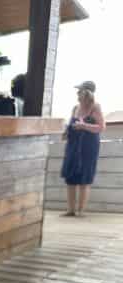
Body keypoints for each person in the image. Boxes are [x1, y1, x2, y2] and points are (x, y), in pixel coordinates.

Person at [61, 81, 106, 218]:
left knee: (84, 178)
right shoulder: (75, 108)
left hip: (88, 146)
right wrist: (65, 132)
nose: (77, 94)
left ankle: (80, 211)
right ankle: (70, 210)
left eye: (79, 91)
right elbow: (70, 124)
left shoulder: (95, 107)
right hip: (73, 145)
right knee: (70, 177)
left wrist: (84, 126)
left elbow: (101, 127)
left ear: (87, 93)